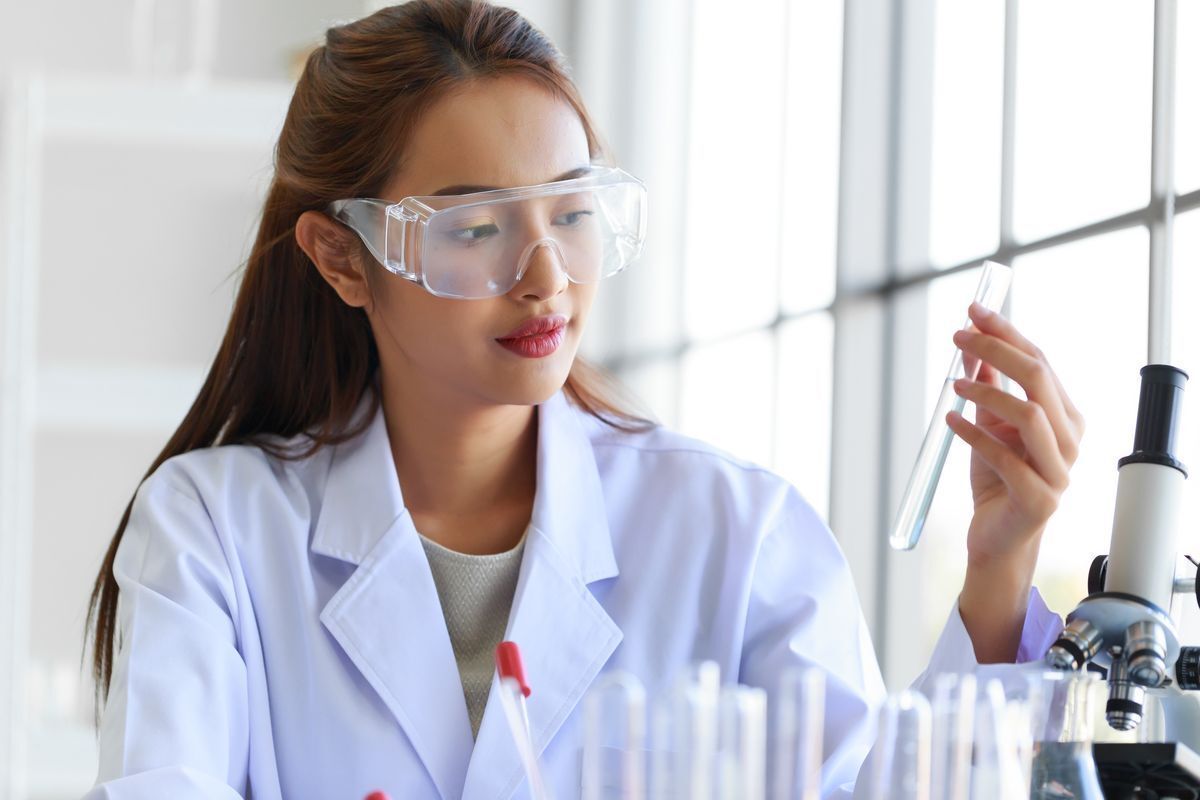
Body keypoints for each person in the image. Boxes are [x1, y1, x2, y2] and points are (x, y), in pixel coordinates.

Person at [83, 1, 1084, 797]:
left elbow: (870, 787)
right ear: (345, 256)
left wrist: (997, 576)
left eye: (572, 212)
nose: (546, 276)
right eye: (475, 227)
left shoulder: (736, 528)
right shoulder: (214, 528)